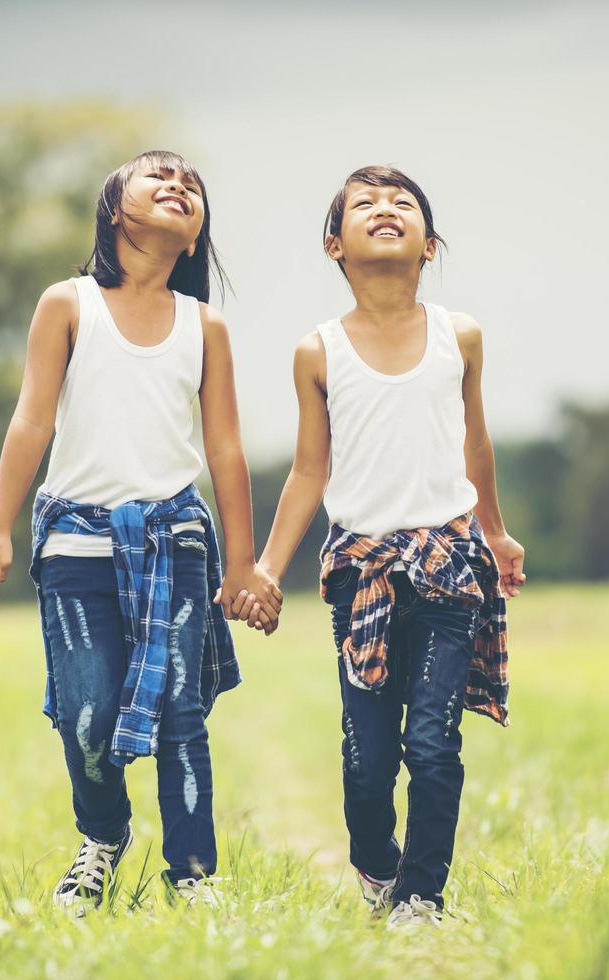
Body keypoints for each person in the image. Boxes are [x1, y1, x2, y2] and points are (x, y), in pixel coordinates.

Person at [0, 150, 281, 915]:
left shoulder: (205, 327)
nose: (179, 188)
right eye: (158, 178)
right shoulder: (67, 303)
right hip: (74, 542)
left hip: (175, 542)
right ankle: (103, 835)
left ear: (198, 233)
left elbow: (225, 450)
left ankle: (195, 876)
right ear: (115, 211)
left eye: (193, 187)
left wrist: (241, 564)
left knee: (181, 715)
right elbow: (31, 417)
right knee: (87, 714)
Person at [256, 165, 524, 927]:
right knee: (367, 764)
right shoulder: (317, 350)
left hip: (448, 567)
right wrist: (268, 568)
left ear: (428, 245)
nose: (385, 210)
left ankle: (420, 895)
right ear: (333, 244)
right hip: (360, 574)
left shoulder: (458, 336)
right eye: (365, 204)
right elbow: (310, 470)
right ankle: (377, 866)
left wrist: (495, 534)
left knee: (432, 745)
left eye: (402, 204)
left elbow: (474, 445)